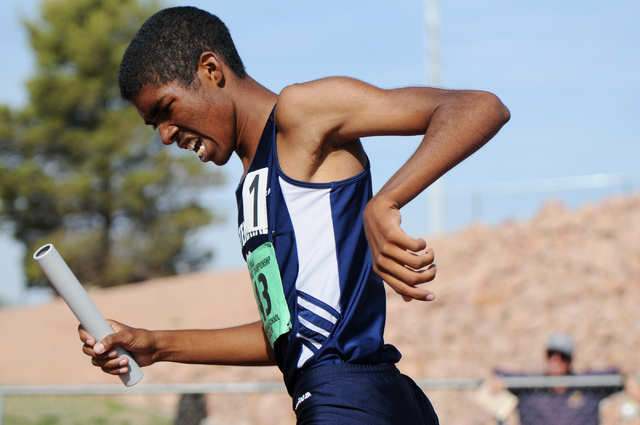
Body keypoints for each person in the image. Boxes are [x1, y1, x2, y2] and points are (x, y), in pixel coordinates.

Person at [78, 6, 510, 424]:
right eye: (154, 125)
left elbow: (478, 107)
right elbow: (289, 334)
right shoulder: (252, 184)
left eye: (166, 110)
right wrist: (157, 345)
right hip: (353, 398)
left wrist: (386, 201)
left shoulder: (298, 112)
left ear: (211, 70)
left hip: (350, 397)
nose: (166, 135)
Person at [491, 333, 640, 425]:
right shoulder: (529, 385)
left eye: (562, 356)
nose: (556, 360)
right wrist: (494, 380)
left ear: (570, 360)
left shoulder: (587, 385)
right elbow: (489, 371)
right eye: (551, 354)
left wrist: (629, 380)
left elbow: (622, 370)